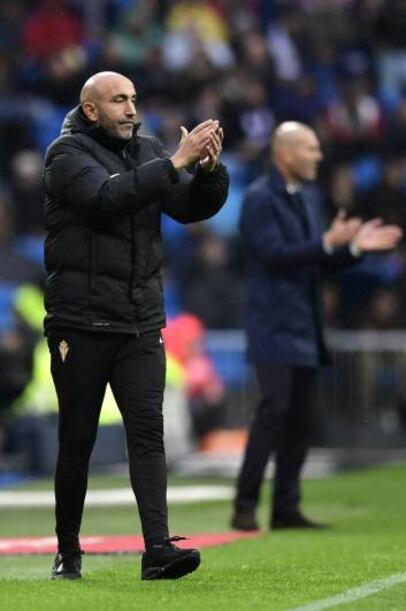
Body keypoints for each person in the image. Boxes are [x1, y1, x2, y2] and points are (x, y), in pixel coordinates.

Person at [43, 71, 229, 580]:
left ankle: (157, 550)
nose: (131, 108)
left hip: (140, 321)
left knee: (148, 433)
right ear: (90, 110)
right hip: (79, 322)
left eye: (133, 99)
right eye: (118, 100)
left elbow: (187, 208)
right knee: (77, 438)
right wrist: (175, 163)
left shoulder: (146, 150)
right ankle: (68, 550)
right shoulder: (65, 156)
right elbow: (107, 199)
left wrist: (209, 172)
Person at [231, 121, 402, 531]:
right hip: (273, 326)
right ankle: (245, 505)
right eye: (310, 149)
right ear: (286, 153)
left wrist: (354, 248)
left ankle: (286, 506)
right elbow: (274, 256)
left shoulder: (306, 199)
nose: (318, 156)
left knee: (301, 421)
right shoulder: (258, 200)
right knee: (272, 413)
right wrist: (327, 243)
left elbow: (316, 262)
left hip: (305, 325)